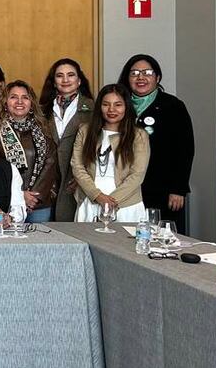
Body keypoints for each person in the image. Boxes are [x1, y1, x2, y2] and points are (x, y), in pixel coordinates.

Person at [118, 54, 195, 234]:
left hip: (163, 189)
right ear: (127, 78)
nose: (140, 77)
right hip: (126, 188)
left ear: (157, 77)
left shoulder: (173, 106)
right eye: (134, 73)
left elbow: (185, 150)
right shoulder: (120, 105)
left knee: (163, 240)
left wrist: (178, 189)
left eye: (147, 72)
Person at [72, 84, 151, 224]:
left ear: (126, 107)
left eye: (118, 105)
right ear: (99, 107)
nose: (112, 110)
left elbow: (138, 174)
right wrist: (98, 196)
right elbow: (77, 167)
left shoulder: (138, 135)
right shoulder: (85, 131)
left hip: (126, 204)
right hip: (91, 200)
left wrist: (110, 202)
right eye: (106, 104)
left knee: (123, 245)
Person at [0, 81, 58, 223]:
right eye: (13, 97)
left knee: (38, 243)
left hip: (38, 203)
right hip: (5, 202)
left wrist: (33, 197)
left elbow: (51, 163)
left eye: (25, 97)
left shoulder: (43, 127)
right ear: (5, 102)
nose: (19, 101)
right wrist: (19, 195)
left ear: (31, 102)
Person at [39, 58, 95, 222]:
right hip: (47, 179)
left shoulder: (93, 108)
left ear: (79, 81)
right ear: (54, 82)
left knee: (71, 228)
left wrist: (84, 178)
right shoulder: (42, 109)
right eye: (59, 76)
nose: (65, 80)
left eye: (70, 75)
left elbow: (99, 147)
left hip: (76, 178)